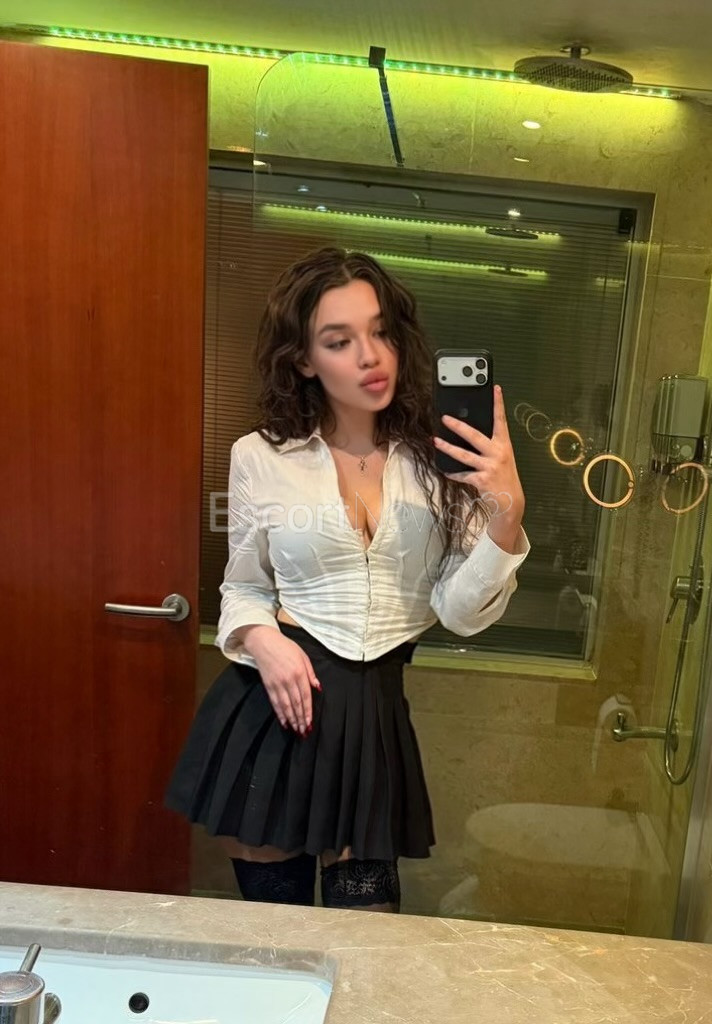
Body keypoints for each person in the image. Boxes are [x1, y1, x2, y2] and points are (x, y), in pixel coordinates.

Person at [165, 246, 530, 913]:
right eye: (339, 341)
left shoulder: (441, 461)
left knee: (366, 933)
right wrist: (264, 642)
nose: (369, 356)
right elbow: (243, 587)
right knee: (277, 937)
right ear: (304, 359)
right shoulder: (260, 457)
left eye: (380, 331)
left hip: (373, 719)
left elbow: (460, 613)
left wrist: (506, 512)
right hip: (276, 710)